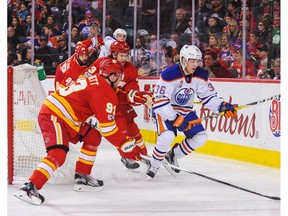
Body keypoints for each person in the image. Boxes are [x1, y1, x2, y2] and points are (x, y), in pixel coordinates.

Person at [14, 58, 142, 205]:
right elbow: (108, 129)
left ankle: (82, 176)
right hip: (54, 115)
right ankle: (29, 187)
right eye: (118, 76)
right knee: (58, 154)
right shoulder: (103, 92)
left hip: (67, 117)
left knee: (93, 136)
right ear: (111, 76)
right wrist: (124, 144)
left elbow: (118, 94)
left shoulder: (97, 81)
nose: (120, 80)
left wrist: (139, 96)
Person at [146, 44, 237, 178]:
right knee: (168, 136)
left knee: (200, 137)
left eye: (198, 61)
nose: (196, 64)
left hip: (185, 111)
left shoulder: (200, 75)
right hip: (165, 110)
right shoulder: (170, 73)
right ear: (183, 60)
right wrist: (174, 118)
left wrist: (220, 106)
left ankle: (172, 155)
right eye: (192, 61)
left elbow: (208, 96)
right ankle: (154, 165)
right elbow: (159, 99)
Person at [94, 41, 152, 169]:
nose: (124, 58)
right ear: (114, 54)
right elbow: (88, 77)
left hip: (122, 102)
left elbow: (132, 89)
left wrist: (135, 96)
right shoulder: (102, 63)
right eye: (122, 55)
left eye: (126, 55)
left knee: (133, 129)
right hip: (108, 104)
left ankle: (144, 155)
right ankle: (127, 156)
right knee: (122, 132)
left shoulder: (130, 69)